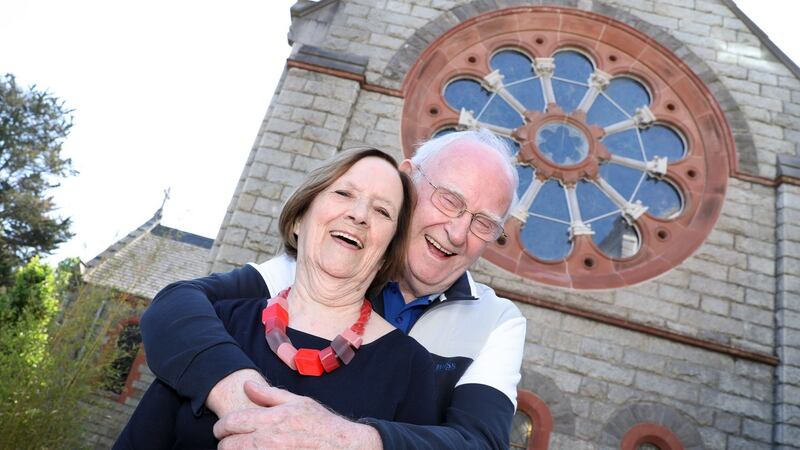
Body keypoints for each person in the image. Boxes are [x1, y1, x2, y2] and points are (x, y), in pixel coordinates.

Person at [139, 129, 527, 449]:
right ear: (408, 180)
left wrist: (341, 440)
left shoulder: (496, 323)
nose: (457, 232)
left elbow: (480, 444)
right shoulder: (311, 267)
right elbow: (175, 309)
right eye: (449, 200)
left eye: (483, 224)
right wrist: (244, 402)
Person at [114, 148, 437, 448]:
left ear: (387, 252)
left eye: (382, 210)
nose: (359, 214)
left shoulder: (413, 372)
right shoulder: (216, 325)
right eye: (343, 193)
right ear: (299, 219)